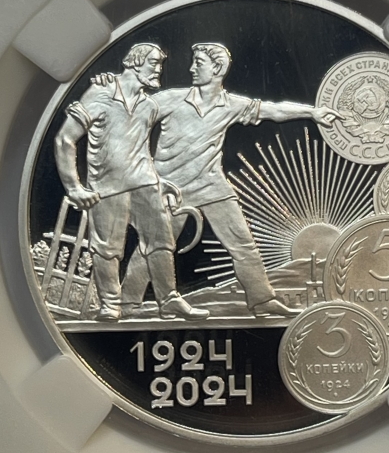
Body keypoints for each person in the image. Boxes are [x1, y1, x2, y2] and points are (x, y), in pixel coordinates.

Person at [96, 43, 339, 316]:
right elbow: (129, 110)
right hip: (170, 188)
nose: (191, 68)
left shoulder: (231, 105)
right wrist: (109, 85)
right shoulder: (170, 99)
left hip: (212, 186)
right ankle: (128, 301)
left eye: (198, 63)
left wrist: (312, 113)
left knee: (243, 243)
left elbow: (273, 110)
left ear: (217, 68)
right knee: (153, 247)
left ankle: (261, 300)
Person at [54, 43, 209, 321]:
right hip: (107, 188)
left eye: (160, 65)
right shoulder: (100, 93)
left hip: (145, 185)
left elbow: (139, 149)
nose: (159, 71)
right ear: (135, 62)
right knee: (107, 248)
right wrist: (74, 187)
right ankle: (110, 304)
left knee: (161, 243)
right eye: (154, 64)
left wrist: (158, 181)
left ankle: (169, 300)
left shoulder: (148, 106)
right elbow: (65, 139)